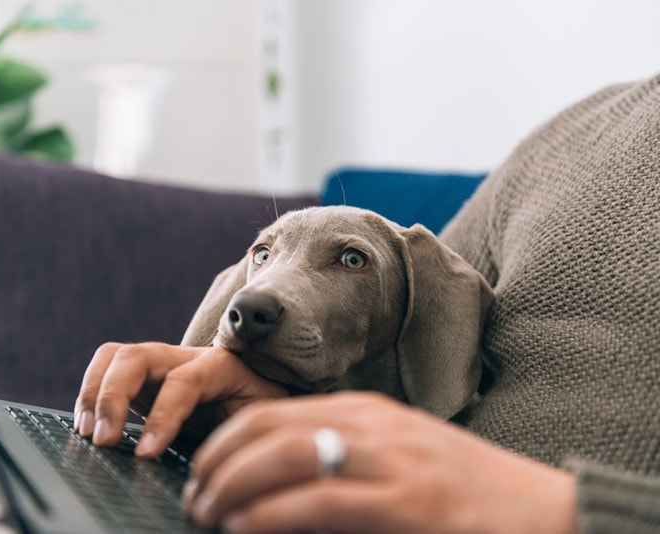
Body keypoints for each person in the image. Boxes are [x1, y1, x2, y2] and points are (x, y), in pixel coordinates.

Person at [74, 73, 660, 533]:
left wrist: (558, 512)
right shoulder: (575, 132)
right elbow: (420, 335)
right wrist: (266, 408)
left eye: (349, 259)